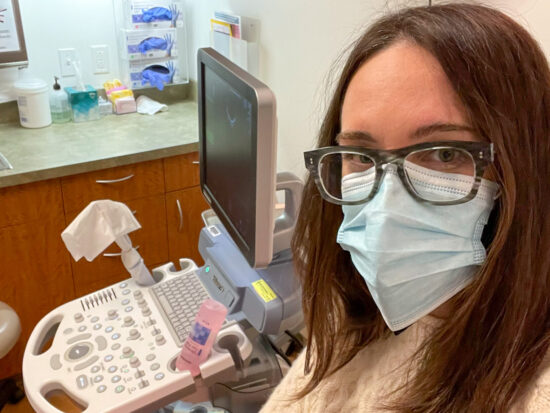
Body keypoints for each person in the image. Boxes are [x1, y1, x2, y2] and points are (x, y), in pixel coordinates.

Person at [260, 3, 550, 412]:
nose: (385, 205)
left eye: (445, 154)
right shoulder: (354, 321)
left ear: (525, 163)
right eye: (360, 154)